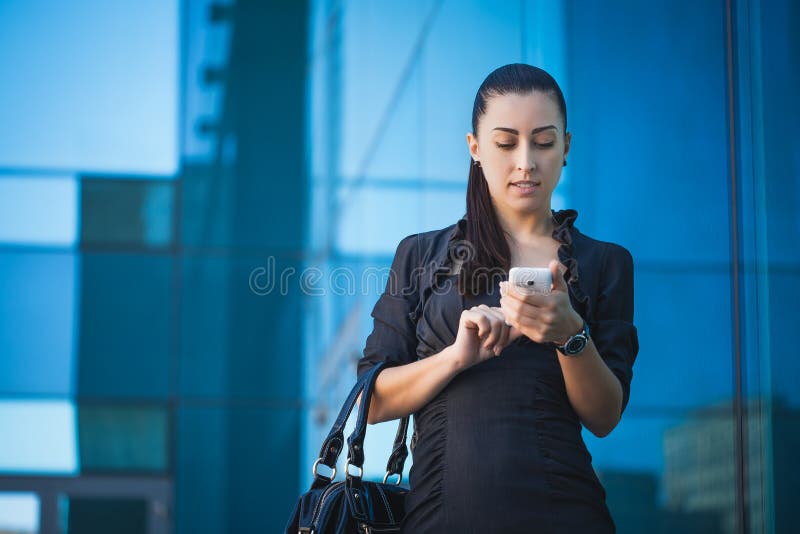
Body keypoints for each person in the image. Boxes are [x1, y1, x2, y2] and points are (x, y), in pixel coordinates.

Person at [356, 63, 639, 533]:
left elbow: (605, 415)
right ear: (475, 149)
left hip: (565, 513)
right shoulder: (421, 255)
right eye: (506, 143)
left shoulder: (604, 262)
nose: (526, 161)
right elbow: (372, 402)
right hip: (440, 515)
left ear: (566, 147)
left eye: (544, 142)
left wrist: (570, 335)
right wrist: (455, 358)